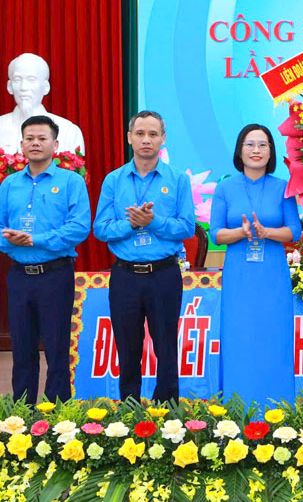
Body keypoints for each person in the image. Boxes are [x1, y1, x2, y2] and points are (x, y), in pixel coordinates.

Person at [93, 111, 195, 402]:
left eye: (153, 134)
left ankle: (168, 409)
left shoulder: (178, 180)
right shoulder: (114, 180)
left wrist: (154, 221)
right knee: (127, 347)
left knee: (166, 346)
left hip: (164, 274)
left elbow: (187, 227)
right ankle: (129, 408)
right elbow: (100, 229)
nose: (146, 140)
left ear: (163, 139)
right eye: (140, 134)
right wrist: (131, 224)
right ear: (130, 138)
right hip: (125, 275)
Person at [0, 116, 91, 403]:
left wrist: (37, 239)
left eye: (42, 138)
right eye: (30, 138)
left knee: (57, 347)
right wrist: (8, 240)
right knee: (22, 348)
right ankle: (23, 410)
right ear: (21, 144)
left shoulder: (71, 182)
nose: (35, 143)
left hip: (55, 274)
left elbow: (79, 227)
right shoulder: (9, 184)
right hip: (19, 275)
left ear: (55, 144)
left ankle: (58, 411)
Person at [210, 124, 301, 407]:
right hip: (239, 275)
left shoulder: (283, 187)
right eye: (250, 144)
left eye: (263, 145)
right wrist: (242, 233)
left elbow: (294, 231)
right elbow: (216, 234)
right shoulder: (225, 188)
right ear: (239, 150)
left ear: (271, 152)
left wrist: (266, 232)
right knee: (240, 338)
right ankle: (237, 408)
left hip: (273, 274)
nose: (256, 150)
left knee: (274, 338)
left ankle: (278, 409)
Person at [0, 53, 85, 154]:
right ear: (9, 86)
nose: (23, 87)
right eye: (17, 80)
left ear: (46, 87)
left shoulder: (69, 132)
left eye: (31, 79)